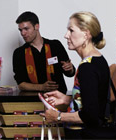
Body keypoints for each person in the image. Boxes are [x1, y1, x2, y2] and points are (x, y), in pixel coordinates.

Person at [40, 11, 110, 139]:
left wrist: (58, 117)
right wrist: (67, 99)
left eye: (71, 30)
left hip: (84, 135)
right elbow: (94, 102)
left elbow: (91, 115)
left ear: (86, 34)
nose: (66, 35)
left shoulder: (87, 67)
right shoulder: (97, 60)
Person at [13, 11, 75, 94]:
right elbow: (21, 84)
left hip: (59, 99)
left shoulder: (55, 45)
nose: (23, 33)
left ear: (36, 26)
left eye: (26, 29)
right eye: (20, 30)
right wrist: (42, 87)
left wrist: (70, 69)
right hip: (32, 102)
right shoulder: (19, 53)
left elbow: (70, 73)